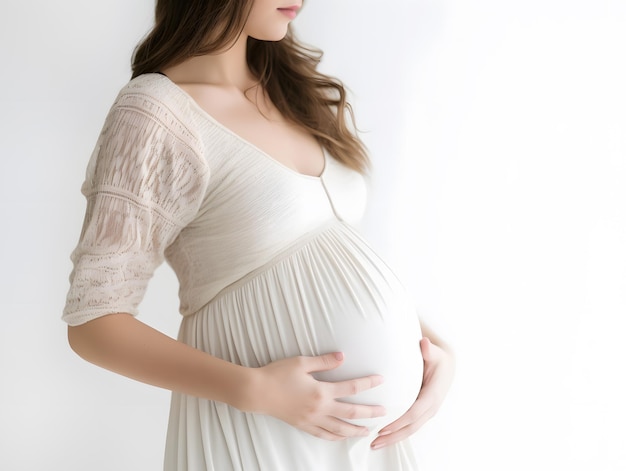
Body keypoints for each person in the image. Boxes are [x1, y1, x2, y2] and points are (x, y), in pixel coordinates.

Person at [63, 1, 455, 470]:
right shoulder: (157, 111)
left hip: (367, 443)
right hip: (258, 435)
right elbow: (94, 322)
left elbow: (327, 256)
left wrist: (433, 350)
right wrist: (256, 391)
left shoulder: (290, 91)